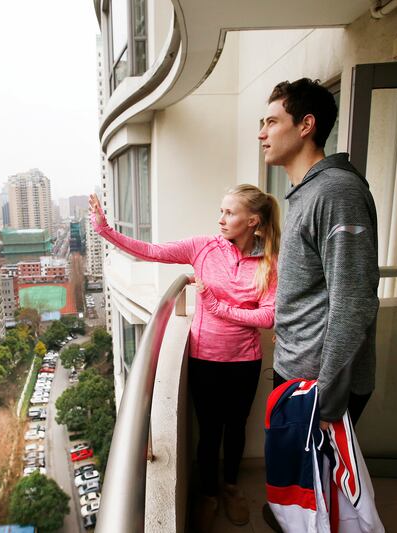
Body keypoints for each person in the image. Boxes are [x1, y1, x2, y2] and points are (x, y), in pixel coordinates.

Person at [89, 185, 280, 531]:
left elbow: (268, 317)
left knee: (236, 429)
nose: (220, 219)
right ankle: (208, 494)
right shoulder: (203, 248)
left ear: (252, 220)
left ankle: (232, 488)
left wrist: (220, 308)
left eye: (229, 213)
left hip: (245, 360)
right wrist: (105, 230)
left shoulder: (269, 261)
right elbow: (150, 251)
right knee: (209, 432)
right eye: (221, 211)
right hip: (205, 358)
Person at [258, 78, 379, 529]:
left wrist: (328, 402)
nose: (262, 133)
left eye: (272, 121)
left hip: (320, 388)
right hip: (300, 376)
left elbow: (354, 301)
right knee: (301, 492)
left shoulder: (336, 193)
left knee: (325, 504)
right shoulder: (306, 192)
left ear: (306, 125)